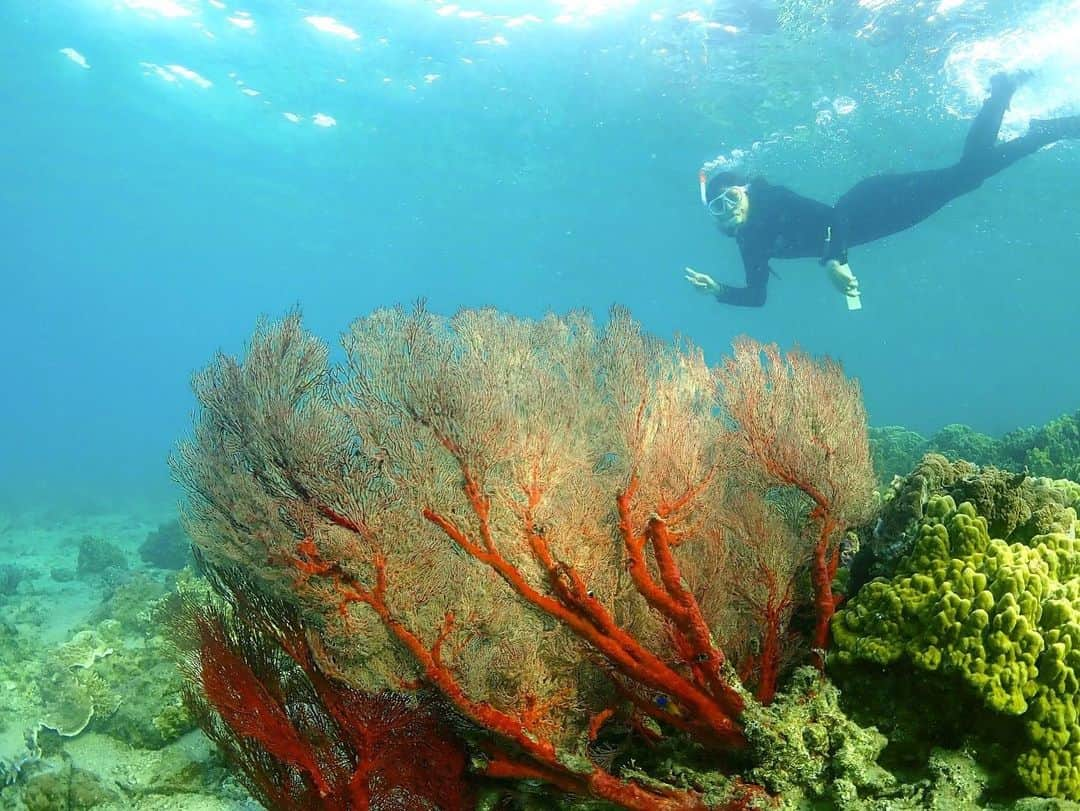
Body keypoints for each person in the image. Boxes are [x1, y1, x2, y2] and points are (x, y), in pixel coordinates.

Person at [685, 73, 1080, 309]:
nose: (728, 209)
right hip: (882, 223)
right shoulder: (748, 240)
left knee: (965, 177)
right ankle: (1034, 125)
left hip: (872, 202)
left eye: (731, 197)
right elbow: (757, 297)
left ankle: (1009, 100)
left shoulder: (771, 198)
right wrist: (717, 289)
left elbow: (830, 217)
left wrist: (834, 262)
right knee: (967, 177)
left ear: (747, 191)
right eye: (718, 208)